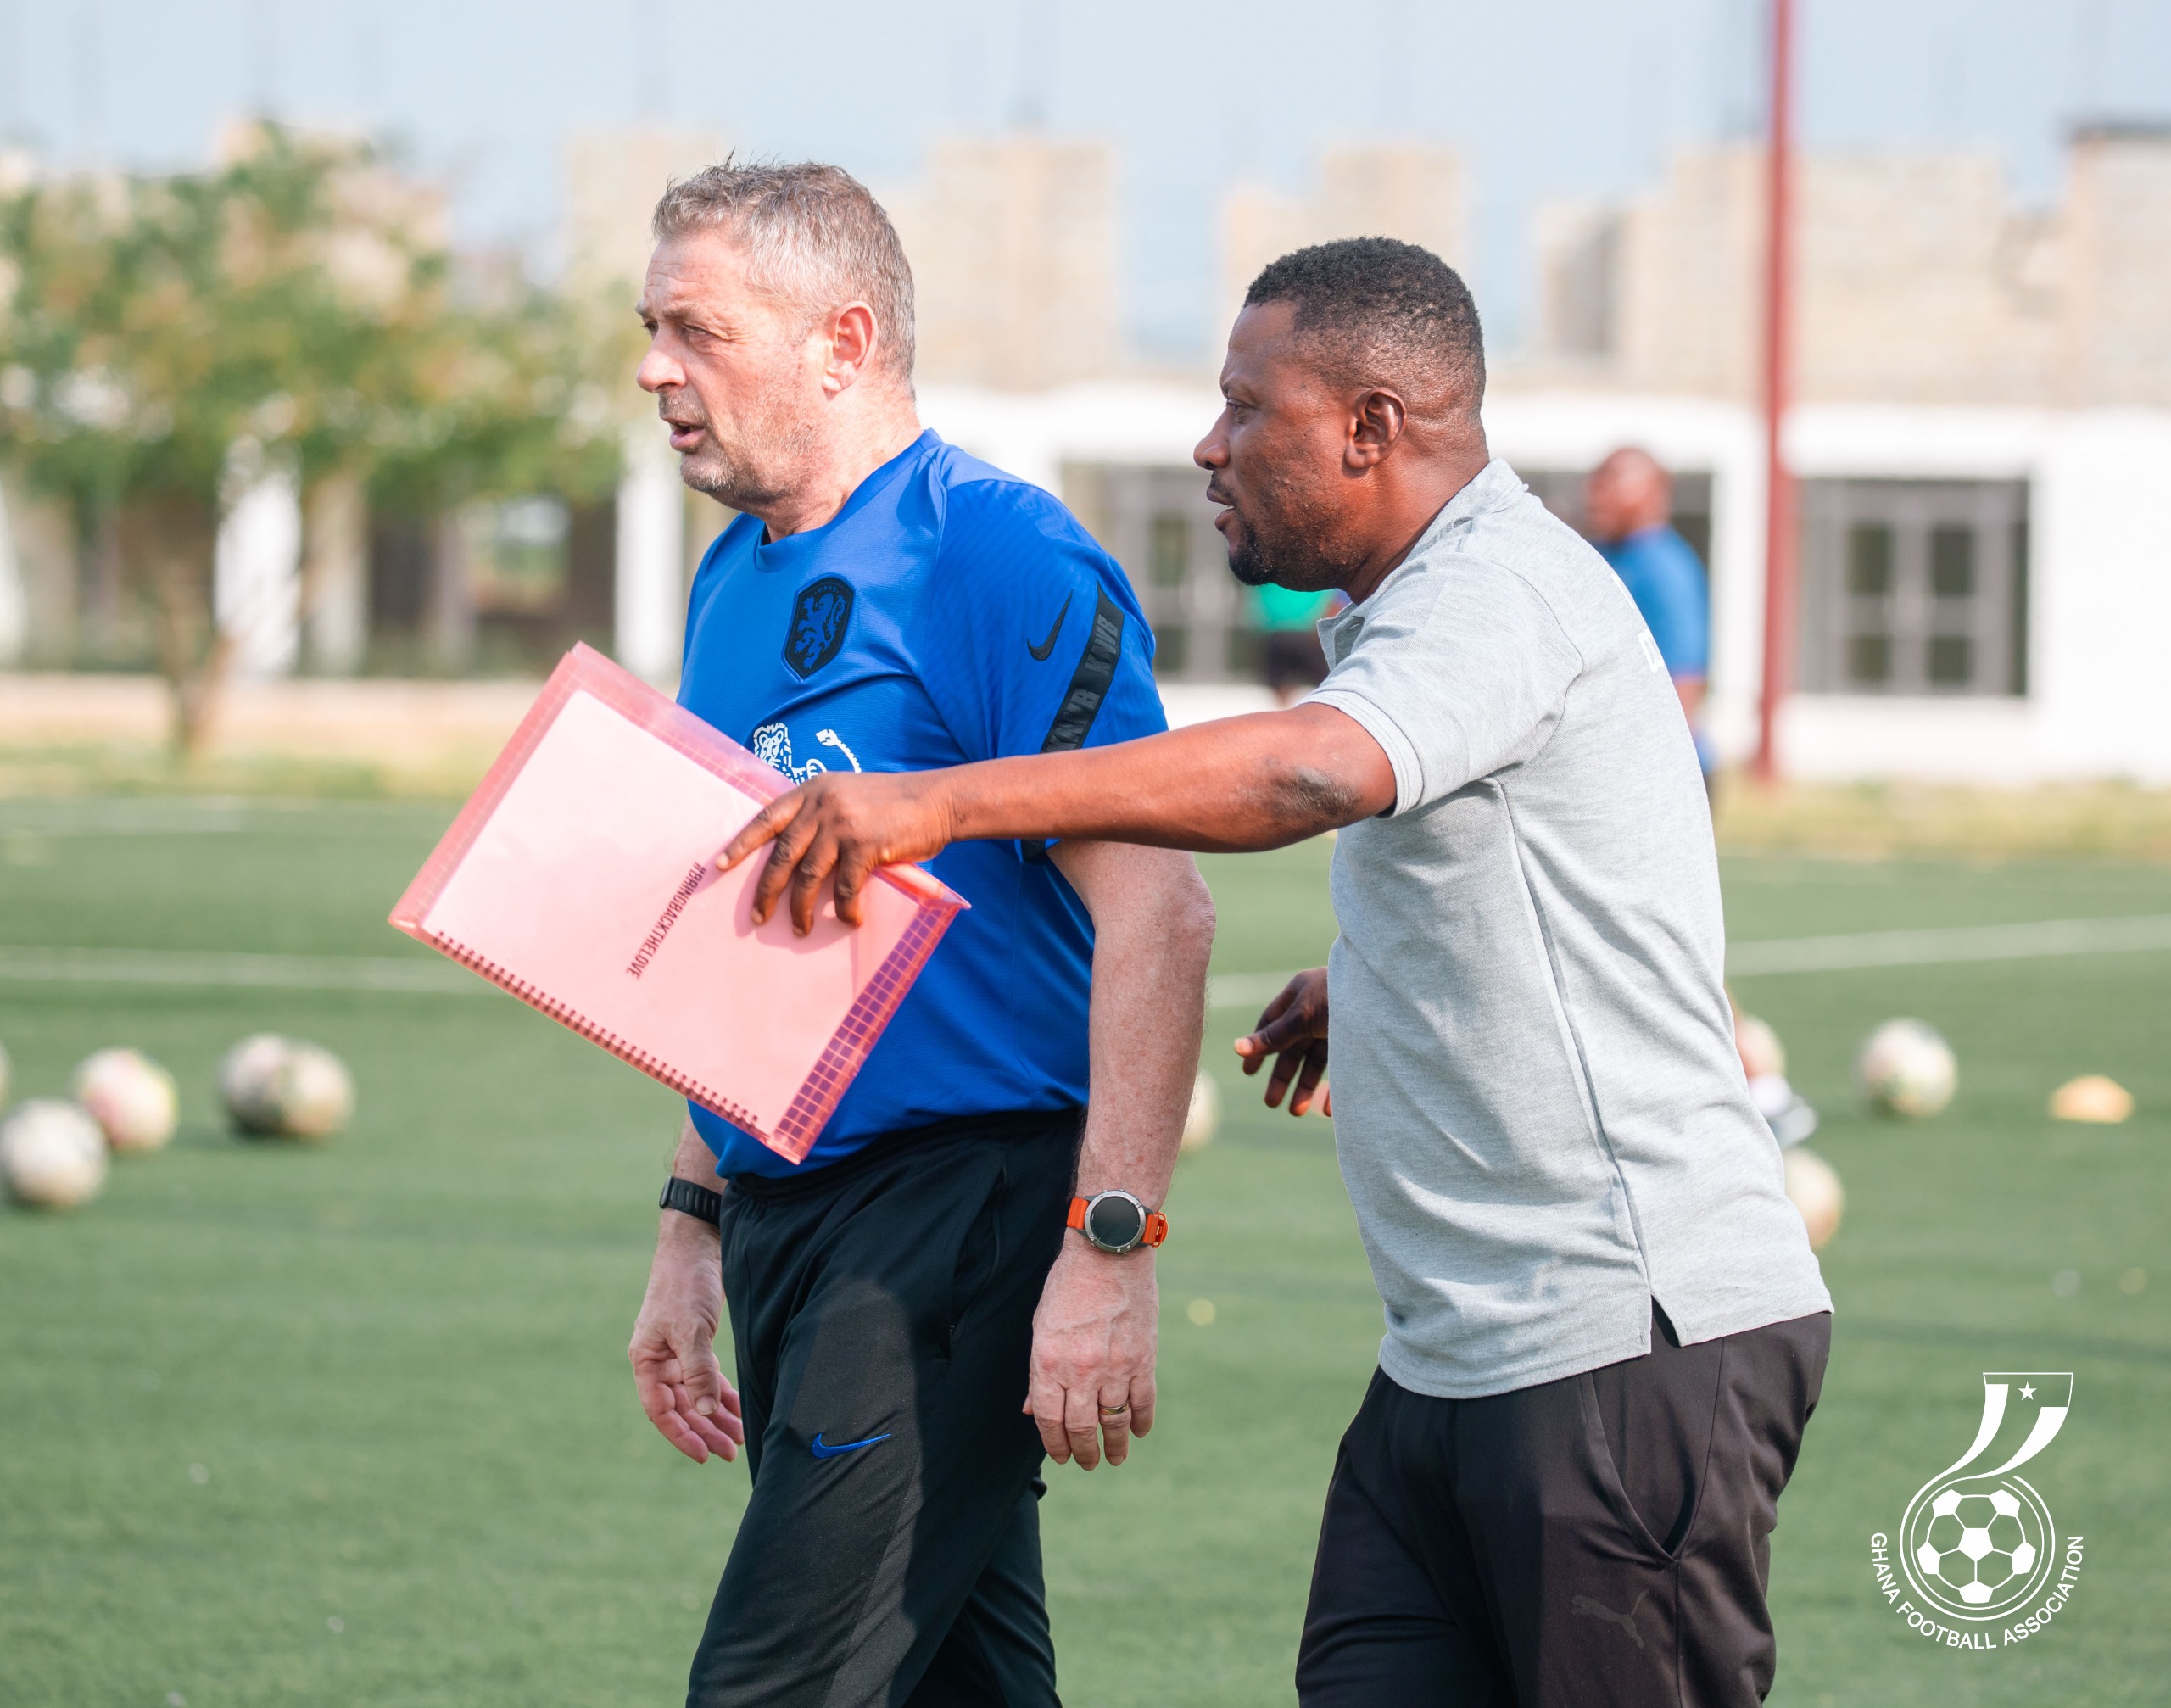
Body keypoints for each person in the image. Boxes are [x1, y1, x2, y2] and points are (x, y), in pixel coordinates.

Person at [721, 238, 1833, 1708]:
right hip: (1451, 1361)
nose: (1212, 443)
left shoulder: (1500, 588)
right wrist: (1367, 978)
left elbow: (1311, 770)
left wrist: (939, 802)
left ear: (1371, 427)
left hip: (1621, 1342)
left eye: (1249, 407)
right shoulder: (1418, 605)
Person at [624, 159, 1215, 1708]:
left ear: (843, 339)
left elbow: (1162, 905)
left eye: (698, 331)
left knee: (771, 1686)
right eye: (651, 329)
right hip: (785, 1210)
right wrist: (692, 1218)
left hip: (958, 1213)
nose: (657, 369)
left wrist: (1112, 1248)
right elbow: (740, 941)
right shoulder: (728, 579)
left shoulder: (995, 554)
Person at [1583, 447, 1716, 786]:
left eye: (1611, 484)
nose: (1597, 498)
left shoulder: (1666, 569)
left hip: (1660, 771)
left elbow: (1686, 677)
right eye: (1595, 485)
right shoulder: (1596, 554)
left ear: (1654, 492)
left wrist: (1656, 771)